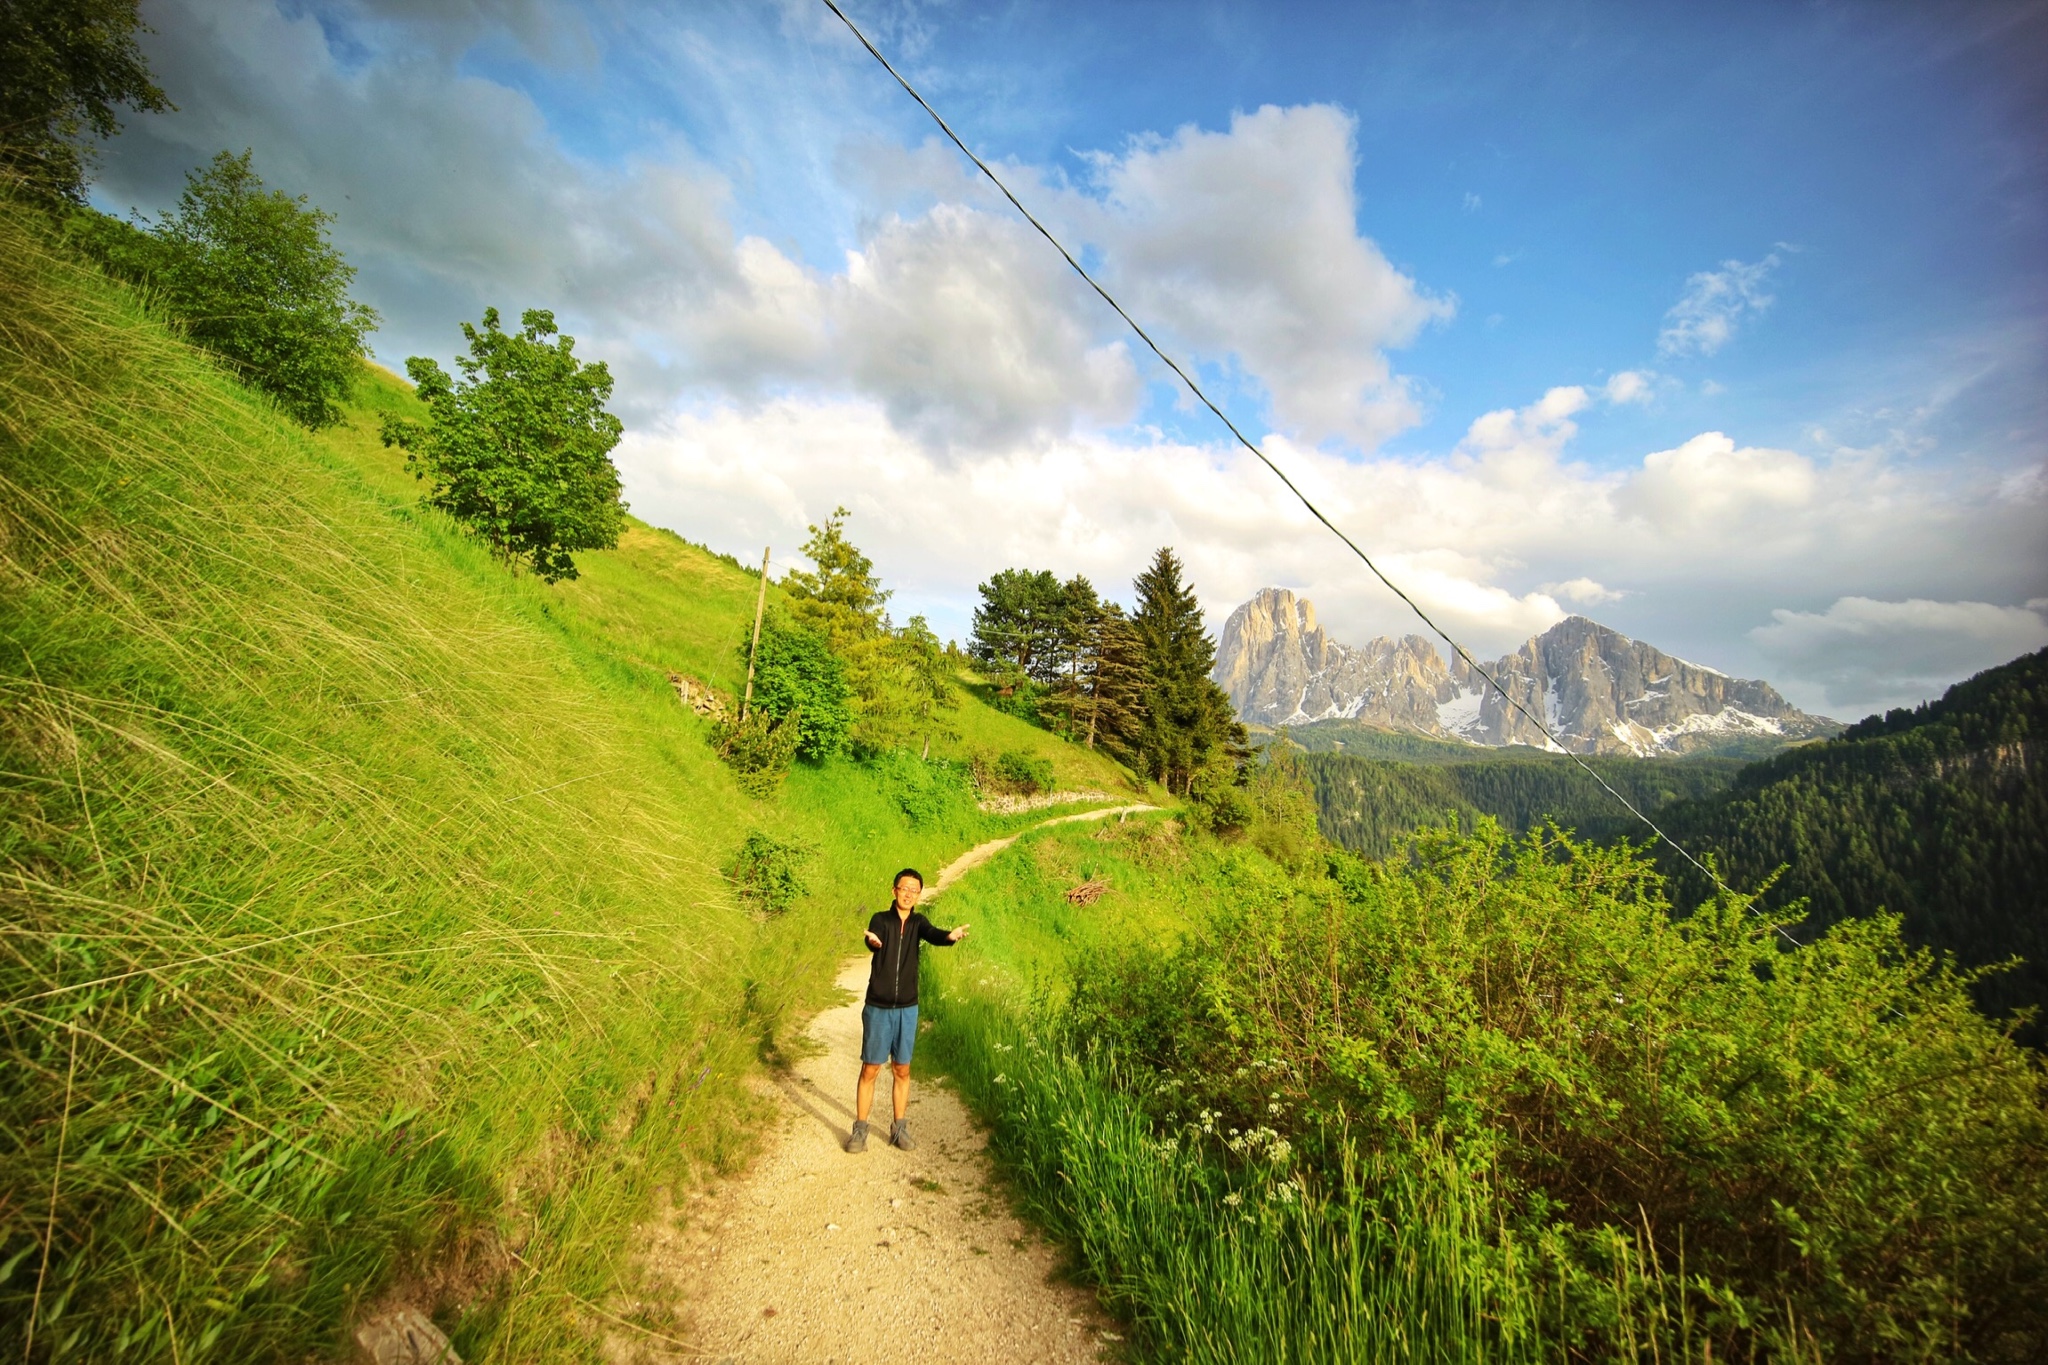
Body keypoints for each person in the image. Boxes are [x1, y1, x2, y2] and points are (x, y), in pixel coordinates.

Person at [846, 867, 968, 1153]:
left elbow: (933, 933)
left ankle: (899, 1128)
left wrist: (949, 936)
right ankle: (860, 1131)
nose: (909, 893)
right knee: (871, 1068)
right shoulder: (881, 919)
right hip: (878, 1006)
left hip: (907, 1009)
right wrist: (872, 941)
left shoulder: (918, 923)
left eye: (914, 890)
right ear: (894, 891)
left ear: (919, 895)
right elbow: (873, 937)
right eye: (904, 888)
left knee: (902, 1069)